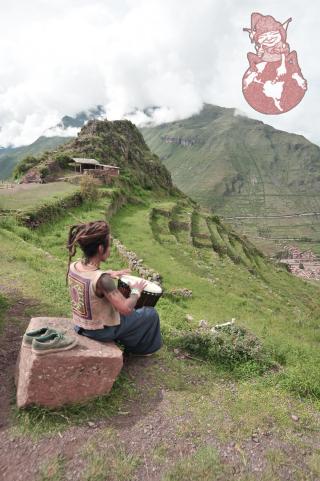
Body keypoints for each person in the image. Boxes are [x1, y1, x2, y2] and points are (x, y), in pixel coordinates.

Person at [66, 220, 162, 356]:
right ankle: (141, 351)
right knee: (150, 314)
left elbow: (89, 277)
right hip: (99, 331)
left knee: (132, 315)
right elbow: (126, 310)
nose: (110, 249)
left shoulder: (74, 266)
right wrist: (136, 291)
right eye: (109, 246)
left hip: (80, 325)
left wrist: (110, 273)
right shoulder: (103, 280)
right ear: (100, 248)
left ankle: (126, 339)